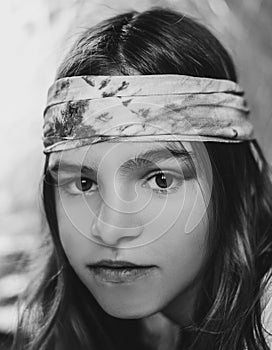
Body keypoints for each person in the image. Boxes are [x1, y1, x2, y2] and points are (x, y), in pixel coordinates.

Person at [12, 7, 272, 350]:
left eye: (160, 179)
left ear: (232, 184)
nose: (109, 229)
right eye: (84, 184)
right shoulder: (162, 328)